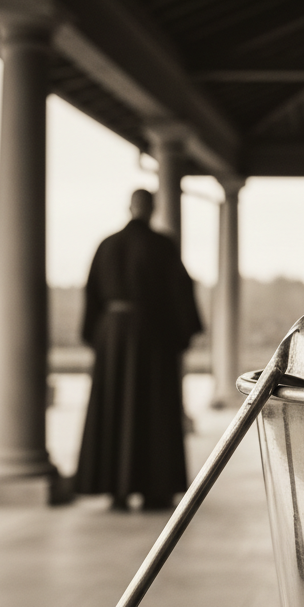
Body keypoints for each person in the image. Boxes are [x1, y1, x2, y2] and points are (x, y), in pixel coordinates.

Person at [75, 189, 202, 511]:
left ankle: (115, 490)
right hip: (153, 336)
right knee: (153, 410)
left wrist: (97, 336)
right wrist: (181, 335)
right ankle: (154, 490)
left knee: (115, 407)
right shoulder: (162, 246)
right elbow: (180, 292)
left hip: (113, 336)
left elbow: (91, 294)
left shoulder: (107, 245)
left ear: (130, 207)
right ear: (151, 209)